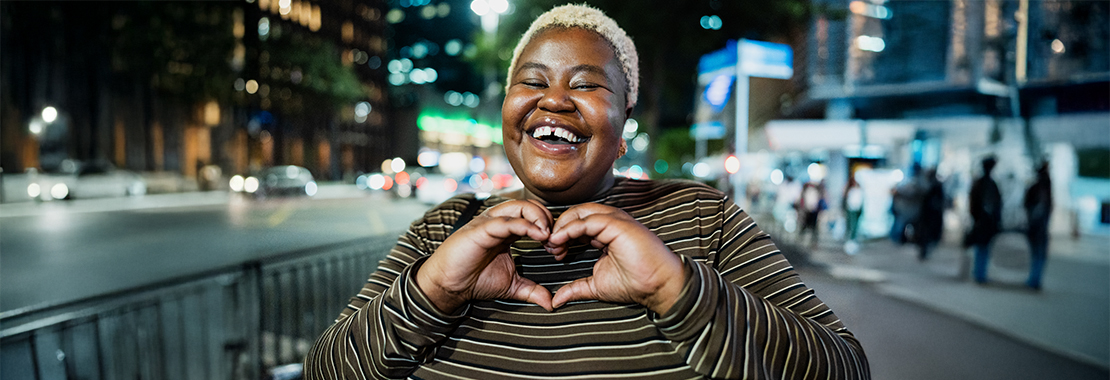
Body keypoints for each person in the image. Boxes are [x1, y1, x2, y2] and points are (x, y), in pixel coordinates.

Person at [304, 5, 869, 379]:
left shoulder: (702, 217)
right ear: (508, 113)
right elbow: (326, 370)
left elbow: (843, 367)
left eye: (586, 84)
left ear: (623, 121)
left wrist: (678, 289)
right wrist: (433, 291)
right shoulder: (444, 228)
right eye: (531, 81)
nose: (553, 100)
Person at [967, 156, 1002, 284]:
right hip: (983, 223)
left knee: (983, 248)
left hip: (985, 223)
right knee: (981, 248)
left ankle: (980, 273)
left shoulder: (987, 184)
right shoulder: (985, 184)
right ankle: (979, 274)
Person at [1023, 162, 1052, 290]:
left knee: (1037, 254)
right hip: (1039, 228)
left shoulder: (1036, 188)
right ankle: (1034, 280)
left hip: (1035, 228)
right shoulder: (1044, 190)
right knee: (1039, 254)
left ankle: (1034, 279)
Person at [914, 168, 945, 261]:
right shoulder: (932, 185)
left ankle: (924, 251)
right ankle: (924, 251)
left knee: (926, 234)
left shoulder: (929, 185)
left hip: (929, 215)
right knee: (926, 235)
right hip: (930, 215)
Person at [797, 181, 827, 249]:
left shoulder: (815, 192)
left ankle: (812, 242)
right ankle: (801, 240)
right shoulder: (807, 191)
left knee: (813, 229)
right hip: (807, 212)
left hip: (813, 212)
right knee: (805, 227)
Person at [843, 176, 864, 254]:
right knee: (851, 225)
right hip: (851, 210)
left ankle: (852, 239)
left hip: (856, 210)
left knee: (854, 225)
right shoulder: (850, 190)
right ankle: (850, 239)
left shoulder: (860, 191)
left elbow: (861, 202)